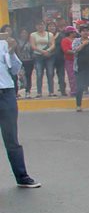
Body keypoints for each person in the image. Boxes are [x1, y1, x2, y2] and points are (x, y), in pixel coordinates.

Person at [1, 37, 40, 187]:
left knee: (11, 140)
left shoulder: (3, 45)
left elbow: (15, 69)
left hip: (6, 94)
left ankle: (22, 177)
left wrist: (11, 52)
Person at [30, 21, 56, 98]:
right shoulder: (33, 35)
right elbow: (33, 46)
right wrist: (42, 51)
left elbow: (53, 44)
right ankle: (39, 92)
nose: (40, 27)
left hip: (48, 56)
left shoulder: (50, 34)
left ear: (44, 26)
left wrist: (47, 51)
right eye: (38, 25)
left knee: (50, 73)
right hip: (38, 56)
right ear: (36, 26)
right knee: (39, 74)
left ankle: (51, 92)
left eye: (42, 25)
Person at [60, 26, 78, 97]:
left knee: (79, 76)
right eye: (74, 32)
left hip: (78, 60)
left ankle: (80, 90)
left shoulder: (77, 40)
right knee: (72, 76)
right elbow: (66, 50)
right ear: (70, 33)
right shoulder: (65, 40)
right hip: (69, 61)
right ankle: (73, 90)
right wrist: (76, 51)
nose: (75, 33)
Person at [15, 28, 34, 98]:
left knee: (28, 76)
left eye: (25, 33)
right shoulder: (17, 41)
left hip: (29, 61)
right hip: (20, 61)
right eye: (22, 33)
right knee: (20, 77)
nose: (24, 34)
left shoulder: (30, 41)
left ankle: (28, 91)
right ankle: (17, 92)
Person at [53, 23, 69, 96]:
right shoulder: (46, 36)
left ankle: (63, 90)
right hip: (49, 58)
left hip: (60, 58)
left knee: (61, 75)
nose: (51, 28)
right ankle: (51, 92)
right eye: (50, 26)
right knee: (50, 75)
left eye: (53, 26)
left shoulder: (61, 36)